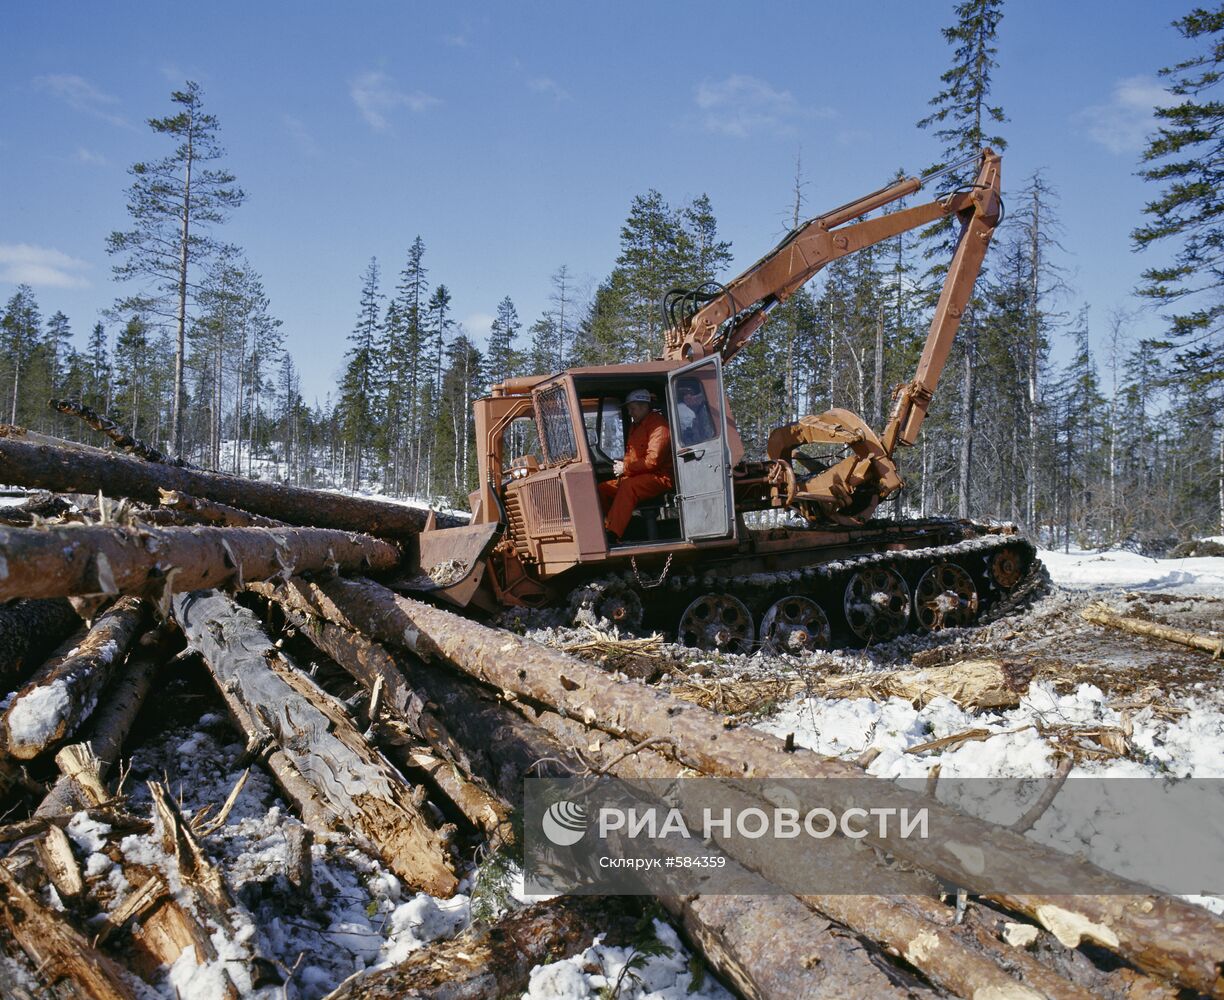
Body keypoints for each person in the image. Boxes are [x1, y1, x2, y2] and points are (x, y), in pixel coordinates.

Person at [598, 388, 673, 543]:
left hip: (660, 477)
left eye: (632, 409)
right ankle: (611, 526)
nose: (630, 413)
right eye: (629, 409)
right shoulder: (635, 426)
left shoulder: (659, 427)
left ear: (644, 407)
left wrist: (625, 468)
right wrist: (624, 468)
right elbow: (631, 455)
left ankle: (612, 535)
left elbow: (653, 461)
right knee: (602, 489)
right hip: (638, 474)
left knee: (628, 487)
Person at [676, 378, 715, 446]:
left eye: (691, 394)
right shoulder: (681, 411)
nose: (688, 396)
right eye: (684, 395)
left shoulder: (705, 411)